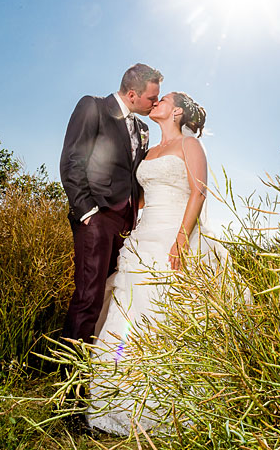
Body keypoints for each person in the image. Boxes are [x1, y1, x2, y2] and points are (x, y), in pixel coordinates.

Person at [87, 91, 224, 435]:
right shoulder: (149, 151)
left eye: (163, 100)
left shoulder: (190, 146)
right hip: (143, 237)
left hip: (174, 235)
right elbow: (141, 198)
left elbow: (199, 191)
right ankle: (118, 395)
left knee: (164, 313)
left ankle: (167, 402)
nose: (156, 103)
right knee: (128, 314)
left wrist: (181, 238)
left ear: (176, 111)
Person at [59, 64, 163, 345]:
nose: (155, 104)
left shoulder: (142, 128)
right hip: (97, 217)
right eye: (152, 99)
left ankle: (98, 363)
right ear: (132, 94)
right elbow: (72, 160)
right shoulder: (93, 107)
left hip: (127, 226)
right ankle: (70, 377)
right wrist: (88, 213)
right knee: (88, 296)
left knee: (111, 292)